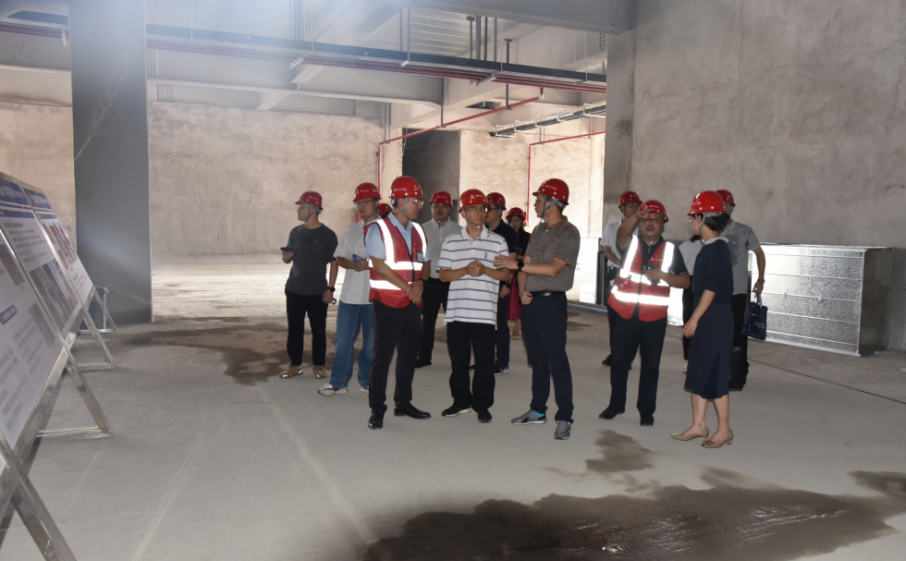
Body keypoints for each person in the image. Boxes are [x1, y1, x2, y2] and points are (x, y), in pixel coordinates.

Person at [495, 179, 581, 441]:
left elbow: (553, 269)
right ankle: (538, 410)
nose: (534, 204)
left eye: (539, 199)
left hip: (552, 303)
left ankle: (565, 417)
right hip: (531, 302)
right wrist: (522, 291)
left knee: (557, 360)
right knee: (537, 360)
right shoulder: (539, 230)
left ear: (553, 202)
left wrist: (517, 265)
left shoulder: (569, 233)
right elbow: (528, 263)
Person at [599, 200, 690, 427]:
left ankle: (646, 410)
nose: (650, 224)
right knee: (619, 363)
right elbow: (621, 233)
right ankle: (616, 405)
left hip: (654, 319)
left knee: (650, 366)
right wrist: (636, 216)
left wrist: (664, 276)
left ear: (663, 223)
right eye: (646, 220)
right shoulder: (629, 244)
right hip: (625, 314)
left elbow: (686, 281)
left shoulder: (671, 250)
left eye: (655, 220)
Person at [437, 190, 512, 423]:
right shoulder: (451, 242)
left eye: (482, 208)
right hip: (457, 314)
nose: (479, 213)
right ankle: (460, 402)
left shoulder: (498, 241)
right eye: (473, 208)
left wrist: (485, 271)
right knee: (458, 361)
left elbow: (507, 274)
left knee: (484, 363)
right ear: (463, 213)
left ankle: (482, 405)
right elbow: (443, 276)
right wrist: (464, 271)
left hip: (485, 314)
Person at [364, 176, 432, 430]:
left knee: (408, 355)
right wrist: (408, 288)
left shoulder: (419, 231)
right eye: (416, 201)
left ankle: (403, 403)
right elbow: (379, 265)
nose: (420, 205)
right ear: (401, 201)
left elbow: (425, 264)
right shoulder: (378, 229)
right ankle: (377, 409)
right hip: (387, 303)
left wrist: (421, 283)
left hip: (413, 304)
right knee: (382, 357)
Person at [672, 191, 735, 448]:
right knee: (698, 368)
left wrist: (694, 318)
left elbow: (711, 288)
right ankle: (698, 425)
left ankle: (724, 429)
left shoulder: (718, 248)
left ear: (702, 218)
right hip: (706, 315)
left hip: (715, 318)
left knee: (715, 371)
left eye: (693, 217)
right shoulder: (708, 247)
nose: (691, 222)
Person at [318, 183, 380, 396]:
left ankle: (368, 381)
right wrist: (351, 265)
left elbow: (391, 262)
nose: (361, 206)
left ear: (376, 203)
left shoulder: (386, 230)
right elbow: (339, 257)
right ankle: (338, 382)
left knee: (371, 344)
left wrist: (370, 265)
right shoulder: (352, 230)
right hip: (350, 297)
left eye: (366, 202)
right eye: (358, 203)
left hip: (374, 296)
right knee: (343, 341)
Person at [280, 191, 338, 380]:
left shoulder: (328, 235)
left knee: (319, 331)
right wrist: (286, 258)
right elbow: (288, 259)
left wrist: (330, 289)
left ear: (313, 209)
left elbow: (334, 263)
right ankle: (295, 365)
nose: (298, 210)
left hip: (317, 292)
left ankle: (318, 365)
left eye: (302, 207)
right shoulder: (295, 233)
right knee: (294, 330)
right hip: (294, 290)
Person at [717, 189, 766, 391]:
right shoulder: (710, 231)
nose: (724, 209)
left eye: (727, 205)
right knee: (717, 334)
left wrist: (760, 279)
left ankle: (738, 374)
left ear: (732, 208)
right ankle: (719, 371)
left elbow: (760, 254)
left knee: (737, 335)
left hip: (737, 293)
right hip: (715, 293)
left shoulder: (744, 231)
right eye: (720, 205)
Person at [415, 191, 461, 368]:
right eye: (436, 206)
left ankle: (457, 358)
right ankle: (424, 357)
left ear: (450, 208)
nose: (440, 209)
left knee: (454, 323)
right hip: (430, 283)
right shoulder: (422, 230)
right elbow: (418, 257)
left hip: (452, 283)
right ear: (431, 208)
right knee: (426, 322)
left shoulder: (458, 231)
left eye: (444, 206)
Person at [600, 191, 641, 366]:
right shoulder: (611, 228)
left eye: (637, 205)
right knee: (614, 317)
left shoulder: (641, 229)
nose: (634, 208)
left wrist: (627, 268)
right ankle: (615, 353)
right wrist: (622, 265)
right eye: (631, 205)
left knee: (631, 316)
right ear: (622, 208)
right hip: (614, 274)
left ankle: (627, 355)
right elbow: (607, 251)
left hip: (633, 276)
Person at [484, 192, 519, 374]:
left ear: (499, 211)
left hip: (500, 284)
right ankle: (485, 360)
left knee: (499, 323)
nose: (485, 212)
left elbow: (512, 262)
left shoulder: (508, 233)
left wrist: (507, 285)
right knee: (484, 325)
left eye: (489, 209)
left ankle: (502, 362)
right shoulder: (482, 230)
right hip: (483, 283)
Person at [678, 214, 704, 373]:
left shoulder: (714, 245)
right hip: (690, 285)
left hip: (704, 285)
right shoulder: (686, 246)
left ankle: (700, 359)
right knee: (689, 321)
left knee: (701, 322)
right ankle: (690, 359)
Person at [505, 208, 531, 339]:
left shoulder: (528, 237)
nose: (514, 223)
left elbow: (529, 256)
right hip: (506, 270)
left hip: (521, 270)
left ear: (522, 221)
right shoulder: (505, 236)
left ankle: (517, 327)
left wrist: (515, 258)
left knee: (519, 298)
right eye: (512, 221)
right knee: (506, 297)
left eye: (517, 220)